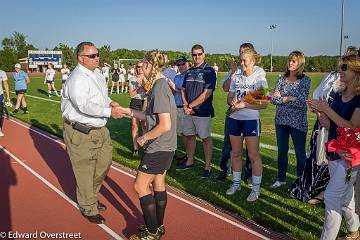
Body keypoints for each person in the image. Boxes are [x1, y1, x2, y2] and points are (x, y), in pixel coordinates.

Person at [117, 50, 177, 240]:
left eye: (144, 64)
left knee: (140, 186)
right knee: (158, 183)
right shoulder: (159, 86)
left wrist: (143, 138)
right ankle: (158, 227)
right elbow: (151, 117)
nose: (141, 68)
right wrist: (127, 111)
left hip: (159, 146)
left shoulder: (159, 87)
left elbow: (165, 124)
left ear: (152, 66)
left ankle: (152, 233)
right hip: (166, 146)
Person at [61, 41, 122, 224]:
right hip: (81, 131)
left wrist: (110, 102)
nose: (97, 58)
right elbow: (84, 105)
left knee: (103, 165)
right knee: (85, 171)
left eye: (97, 54)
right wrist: (109, 112)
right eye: (92, 56)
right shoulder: (77, 78)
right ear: (81, 58)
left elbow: (100, 97)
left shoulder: (97, 74)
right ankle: (88, 206)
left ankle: (91, 198)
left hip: (100, 129)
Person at [308, 53, 360, 240]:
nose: (340, 70)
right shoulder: (339, 95)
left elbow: (352, 128)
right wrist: (321, 115)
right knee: (345, 197)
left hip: (349, 156)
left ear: (356, 71)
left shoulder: (358, 99)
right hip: (334, 151)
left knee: (331, 197)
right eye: (340, 66)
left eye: (345, 67)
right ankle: (354, 230)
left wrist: (326, 109)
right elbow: (331, 126)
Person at [215, 43, 265, 182]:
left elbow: (263, 98)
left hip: (250, 117)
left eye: (245, 56)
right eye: (240, 56)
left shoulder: (259, 72)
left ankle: (250, 177)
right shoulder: (236, 72)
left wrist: (244, 102)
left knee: (252, 152)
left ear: (252, 56)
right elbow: (226, 90)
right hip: (234, 114)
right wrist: (232, 72)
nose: (241, 61)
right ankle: (227, 172)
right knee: (230, 147)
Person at [225, 48, 268, 202]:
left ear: (253, 61)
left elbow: (264, 104)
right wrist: (233, 103)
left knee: (253, 155)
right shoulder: (236, 76)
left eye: (245, 61)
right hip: (235, 119)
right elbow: (230, 97)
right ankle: (236, 184)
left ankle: (256, 190)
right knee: (235, 153)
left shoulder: (259, 77)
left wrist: (244, 105)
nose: (242, 64)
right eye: (240, 60)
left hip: (251, 120)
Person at [270, 51, 310, 189]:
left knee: (300, 153)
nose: (290, 63)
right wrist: (288, 98)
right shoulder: (281, 79)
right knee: (282, 151)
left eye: (293, 61)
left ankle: (301, 182)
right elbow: (273, 99)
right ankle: (281, 179)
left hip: (298, 122)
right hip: (281, 121)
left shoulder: (305, 80)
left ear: (300, 64)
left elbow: (301, 102)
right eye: (289, 60)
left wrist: (284, 98)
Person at [176, 44, 216, 178]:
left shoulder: (209, 71)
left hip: (202, 112)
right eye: (194, 54)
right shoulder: (189, 71)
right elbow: (182, 90)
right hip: (188, 111)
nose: (197, 56)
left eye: (199, 54)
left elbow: (207, 93)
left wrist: (190, 106)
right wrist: (186, 104)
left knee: (205, 138)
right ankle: (190, 161)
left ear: (204, 54)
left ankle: (207, 167)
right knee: (190, 136)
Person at [167, 56, 189, 162]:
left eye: (182, 64)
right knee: (176, 132)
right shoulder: (177, 77)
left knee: (186, 133)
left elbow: (187, 92)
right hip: (175, 107)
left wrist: (174, 88)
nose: (181, 66)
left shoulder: (189, 76)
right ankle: (175, 152)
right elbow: (173, 92)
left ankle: (189, 155)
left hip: (185, 107)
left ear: (187, 64)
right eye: (178, 65)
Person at [129, 61, 147, 157]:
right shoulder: (132, 79)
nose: (139, 69)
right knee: (134, 126)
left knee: (144, 126)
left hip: (145, 102)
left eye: (141, 67)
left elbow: (150, 92)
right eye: (138, 67)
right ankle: (135, 148)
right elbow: (131, 94)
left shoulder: (147, 78)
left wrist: (145, 84)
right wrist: (139, 87)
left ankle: (144, 146)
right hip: (135, 102)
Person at [0, 62, 10, 137]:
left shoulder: (2, 73)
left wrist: (8, 96)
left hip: (0, 95)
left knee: (0, 113)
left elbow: (5, 84)